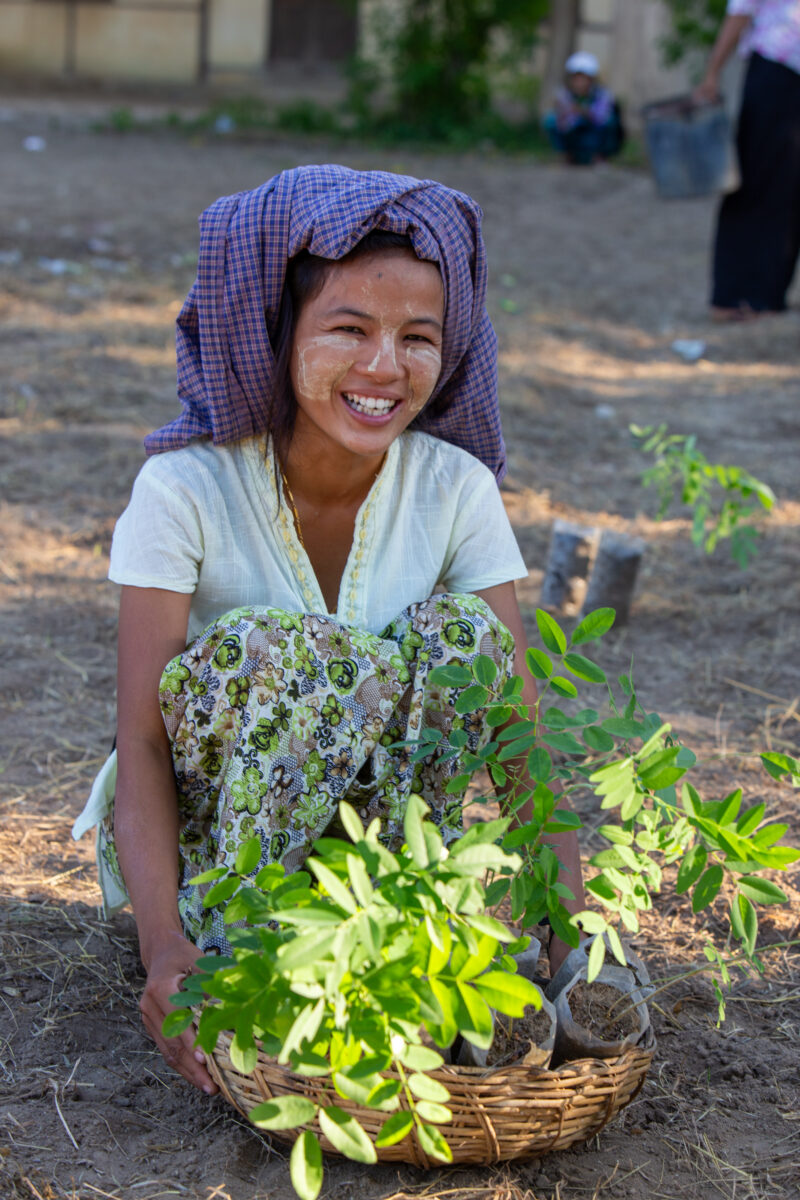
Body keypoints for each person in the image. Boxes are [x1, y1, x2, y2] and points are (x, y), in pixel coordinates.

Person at [72, 165, 586, 1096]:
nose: (384, 367)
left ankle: (381, 928)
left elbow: (519, 730)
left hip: (373, 863)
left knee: (471, 642)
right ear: (279, 336)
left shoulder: (453, 488)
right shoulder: (186, 490)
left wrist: (571, 922)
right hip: (207, 856)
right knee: (300, 657)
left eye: (417, 337)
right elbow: (141, 742)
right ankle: (238, 953)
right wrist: (162, 948)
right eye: (349, 328)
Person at [695, 0, 800, 318]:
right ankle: (730, 296)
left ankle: (768, 295)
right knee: (753, 179)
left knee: (792, 188)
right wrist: (712, 72)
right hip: (776, 70)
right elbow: (741, 10)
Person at [543, 51, 624, 166]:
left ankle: (600, 156)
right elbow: (562, 119)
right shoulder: (565, 95)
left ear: (591, 79)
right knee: (550, 119)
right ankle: (567, 155)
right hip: (573, 132)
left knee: (611, 121)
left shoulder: (602, 94)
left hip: (594, 131)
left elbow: (602, 117)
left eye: (583, 78)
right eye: (576, 78)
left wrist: (584, 112)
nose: (579, 82)